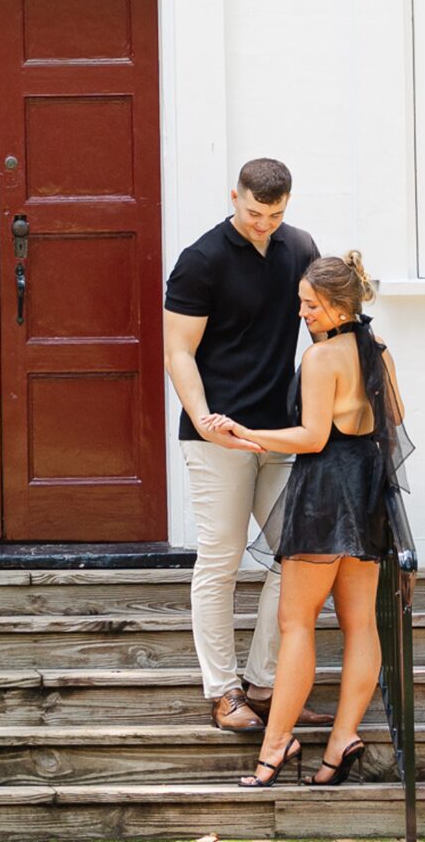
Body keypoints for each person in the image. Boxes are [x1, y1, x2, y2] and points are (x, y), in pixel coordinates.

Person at [209, 250, 407, 793]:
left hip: (324, 490)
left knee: (296, 623)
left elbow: (313, 438)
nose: (302, 314)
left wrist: (246, 435)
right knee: (360, 623)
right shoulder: (378, 349)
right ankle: (343, 738)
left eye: (309, 305)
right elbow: (396, 416)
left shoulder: (321, 360)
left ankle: (276, 746)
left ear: (338, 303)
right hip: (367, 489)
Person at [162, 158, 321, 732]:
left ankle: (267, 681)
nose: (264, 224)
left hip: (280, 432)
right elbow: (178, 350)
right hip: (219, 435)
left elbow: (324, 327)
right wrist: (202, 418)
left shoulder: (299, 247)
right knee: (222, 558)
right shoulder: (201, 260)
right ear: (235, 197)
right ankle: (224, 691)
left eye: (275, 214)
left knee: (298, 554)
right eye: (254, 212)